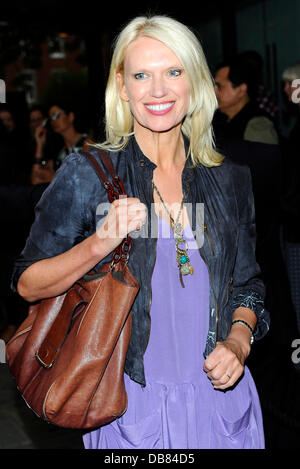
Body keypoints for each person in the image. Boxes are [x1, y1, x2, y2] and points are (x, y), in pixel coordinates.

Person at [11, 15, 269, 449]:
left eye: (173, 71)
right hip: (131, 408)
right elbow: (28, 284)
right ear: (123, 86)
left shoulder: (229, 180)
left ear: (195, 81)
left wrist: (239, 342)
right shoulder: (88, 175)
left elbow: (247, 285)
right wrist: (99, 243)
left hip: (221, 404)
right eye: (142, 75)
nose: (158, 90)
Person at [213, 56, 279, 146]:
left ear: (241, 90)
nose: (214, 91)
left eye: (219, 86)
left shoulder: (257, 125)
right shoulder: (219, 119)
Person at [31, 102, 92, 184]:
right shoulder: (61, 153)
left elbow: (88, 178)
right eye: (51, 118)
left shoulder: (87, 143)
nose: (53, 121)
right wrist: (39, 145)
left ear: (70, 117)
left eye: (56, 115)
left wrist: (55, 177)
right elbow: (35, 180)